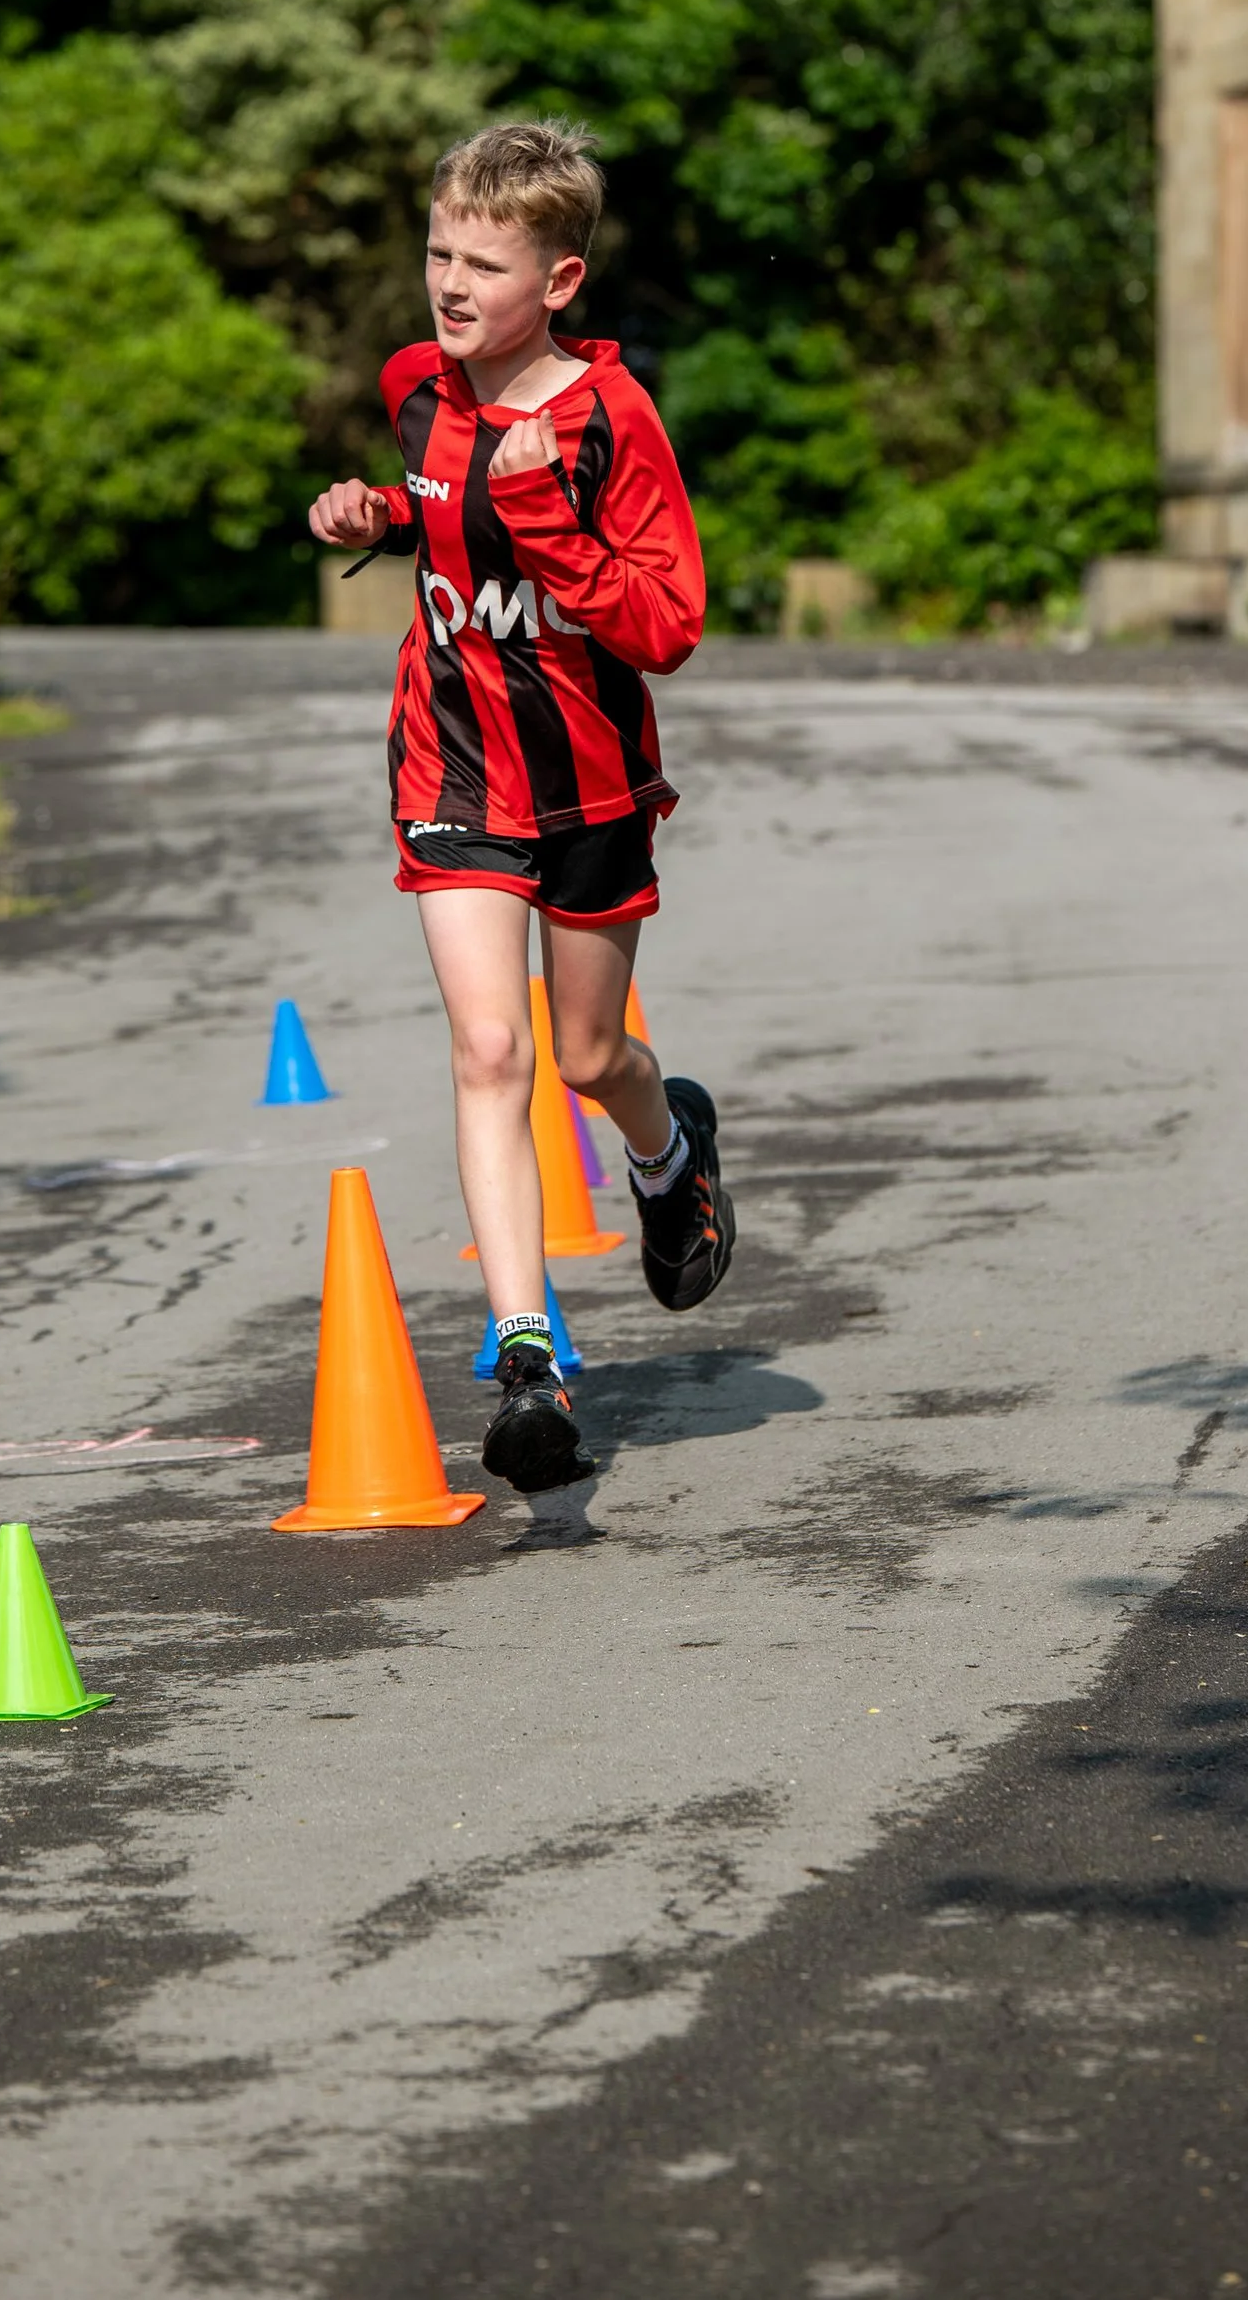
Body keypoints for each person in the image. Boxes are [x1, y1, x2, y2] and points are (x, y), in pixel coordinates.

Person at [306, 118, 735, 1494]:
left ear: (556, 280)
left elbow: (669, 622)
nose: (447, 282)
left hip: (594, 781)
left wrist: (549, 520)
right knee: (490, 1048)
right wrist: (380, 515)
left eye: (481, 262)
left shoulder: (612, 420)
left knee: (587, 1054)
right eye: (436, 249)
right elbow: (444, 515)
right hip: (453, 767)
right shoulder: (416, 387)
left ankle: (670, 1157)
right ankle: (527, 1356)